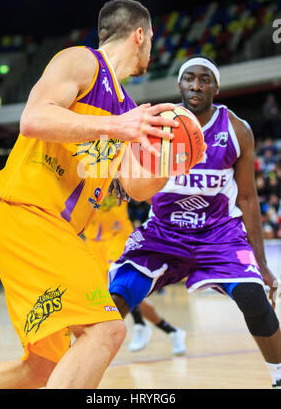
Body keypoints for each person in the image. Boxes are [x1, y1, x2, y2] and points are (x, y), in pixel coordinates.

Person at [0, 0, 179, 389]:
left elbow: (135, 188)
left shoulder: (126, 108)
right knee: (107, 331)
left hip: (56, 232)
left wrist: (171, 165)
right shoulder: (81, 62)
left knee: (41, 369)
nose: (153, 50)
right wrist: (118, 127)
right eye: (152, 40)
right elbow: (34, 118)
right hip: (28, 214)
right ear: (140, 35)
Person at [108, 55, 281, 389]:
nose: (196, 85)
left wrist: (261, 263)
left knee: (254, 297)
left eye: (204, 79)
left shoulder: (236, 129)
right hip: (163, 233)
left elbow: (247, 198)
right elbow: (121, 152)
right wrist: (119, 169)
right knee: (115, 297)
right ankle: (75, 372)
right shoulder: (158, 122)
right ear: (179, 84)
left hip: (219, 234)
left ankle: (278, 376)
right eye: (189, 79)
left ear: (216, 86)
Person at [84, 183, 186, 355]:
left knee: (120, 288)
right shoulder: (79, 173)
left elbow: (146, 193)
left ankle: (139, 323)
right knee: (109, 296)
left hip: (118, 236)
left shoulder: (115, 166)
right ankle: (171, 331)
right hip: (93, 241)